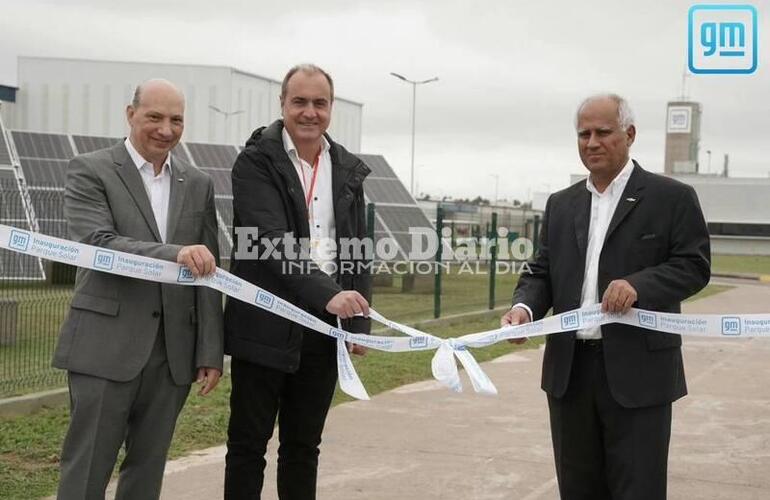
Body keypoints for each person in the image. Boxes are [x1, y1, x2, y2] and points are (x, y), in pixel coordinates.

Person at [502, 94, 710, 500]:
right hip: (569, 375)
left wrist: (640, 285)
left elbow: (693, 265)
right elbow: (542, 270)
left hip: (639, 377)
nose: (592, 142)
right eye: (583, 134)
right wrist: (523, 308)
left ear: (629, 135)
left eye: (603, 132)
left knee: (638, 489)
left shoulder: (672, 198)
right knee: (578, 489)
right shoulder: (561, 205)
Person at [54, 79, 224, 500]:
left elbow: (208, 270)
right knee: (87, 468)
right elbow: (96, 242)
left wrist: (208, 351)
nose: (166, 129)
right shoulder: (90, 169)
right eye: (154, 117)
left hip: (172, 357)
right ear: (130, 115)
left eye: (176, 119)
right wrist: (175, 253)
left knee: (147, 471)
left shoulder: (198, 182)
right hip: (104, 347)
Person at [223, 63, 372, 500]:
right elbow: (270, 243)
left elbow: (358, 247)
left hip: (323, 331)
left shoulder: (346, 168)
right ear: (283, 104)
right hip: (263, 327)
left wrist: (356, 323)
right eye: (300, 102)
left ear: (331, 108)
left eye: (319, 103)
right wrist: (333, 297)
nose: (310, 112)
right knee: (248, 447)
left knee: (304, 448)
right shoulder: (255, 162)